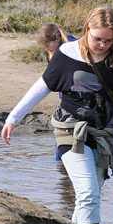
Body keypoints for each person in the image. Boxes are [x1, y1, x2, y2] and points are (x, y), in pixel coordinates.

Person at [1, 6, 113, 224]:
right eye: (98, 39)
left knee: (89, 195)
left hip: (104, 134)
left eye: (109, 40)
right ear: (86, 32)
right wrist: (13, 118)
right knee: (87, 193)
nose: (103, 45)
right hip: (70, 130)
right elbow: (41, 87)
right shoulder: (66, 56)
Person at [35, 23, 77, 161]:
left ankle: (63, 173)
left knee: (63, 149)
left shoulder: (71, 48)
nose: (47, 49)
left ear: (58, 38)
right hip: (66, 100)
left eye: (47, 45)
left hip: (76, 103)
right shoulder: (59, 48)